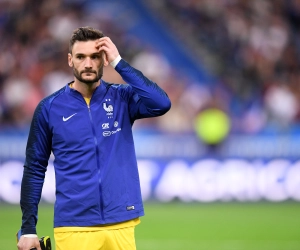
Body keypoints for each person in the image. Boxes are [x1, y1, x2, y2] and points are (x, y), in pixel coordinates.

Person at [17, 26, 171, 250]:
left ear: (104, 60)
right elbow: (34, 168)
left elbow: (161, 103)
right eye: (81, 57)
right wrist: (28, 228)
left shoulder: (122, 98)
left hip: (121, 221)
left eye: (95, 57)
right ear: (70, 60)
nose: (88, 63)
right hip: (74, 227)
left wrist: (119, 61)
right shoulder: (49, 108)